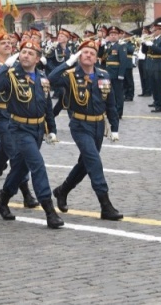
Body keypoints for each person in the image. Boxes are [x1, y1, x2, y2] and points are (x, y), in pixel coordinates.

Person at [0, 41, 63, 229]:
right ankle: (49, 211)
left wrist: (51, 129)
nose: (26, 55)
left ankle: (2, 200)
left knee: (20, 168)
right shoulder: (11, 75)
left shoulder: (42, 77)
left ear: (37, 58)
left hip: (37, 129)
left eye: (30, 53)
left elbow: (47, 106)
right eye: (23, 52)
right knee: (37, 165)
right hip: (19, 128)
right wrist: (4, 66)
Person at [48, 40, 123, 220]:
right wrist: (68, 62)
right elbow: (50, 80)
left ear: (96, 58)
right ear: (79, 56)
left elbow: (111, 104)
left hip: (98, 126)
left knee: (85, 163)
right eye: (84, 52)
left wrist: (115, 128)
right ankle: (105, 205)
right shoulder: (70, 75)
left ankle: (62, 190)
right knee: (94, 161)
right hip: (80, 125)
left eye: (91, 53)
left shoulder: (104, 75)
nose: (88, 55)